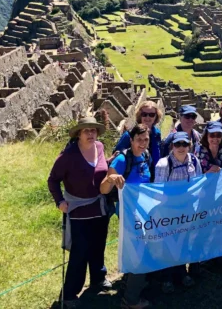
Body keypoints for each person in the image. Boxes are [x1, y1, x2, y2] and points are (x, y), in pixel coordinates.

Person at [47, 117, 112, 305]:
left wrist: (111, 161)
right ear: (78, 134)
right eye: (86, 131)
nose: (91, 134)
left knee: (98, 246)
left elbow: (99, 170)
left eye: (93, 130)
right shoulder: (68, 155)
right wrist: (59, 201)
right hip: (78, 211)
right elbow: (52, 180)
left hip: (99, 208)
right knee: (79, 252)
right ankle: (69, 293)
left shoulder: (99, 147)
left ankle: (98, 278)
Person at [100, 124, 152, 309]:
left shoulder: (145, 157)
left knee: (136, 251)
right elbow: (103, 188)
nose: (143, 143)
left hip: (143, 212)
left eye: (146, 140)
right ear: (131, 140)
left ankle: (129, 285)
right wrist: (110, 179)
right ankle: (131, 300)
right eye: (139, 140)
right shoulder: (122, 160)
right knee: (141, 253)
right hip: (129, 215)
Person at [154, 131, 202, 293]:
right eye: (177, 144)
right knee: (168, 244)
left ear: (189, 145)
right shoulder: (163, 164)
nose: (181, 148)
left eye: (184, 144)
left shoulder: (194, 161)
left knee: (183, 242)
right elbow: (159, 192)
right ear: (172, 146)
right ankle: (166, 277)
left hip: (188, 210)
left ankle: (181, 272)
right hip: (170, 211)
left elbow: (199, 185)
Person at [112, 101, 163, 179]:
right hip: (134, 178)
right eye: (144, 114)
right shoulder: (129, 134)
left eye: (152, 115)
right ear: (140, 115)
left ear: (156, 116)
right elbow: (117, 154)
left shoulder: (156, 134)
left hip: (153, 176)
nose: (148, 117)